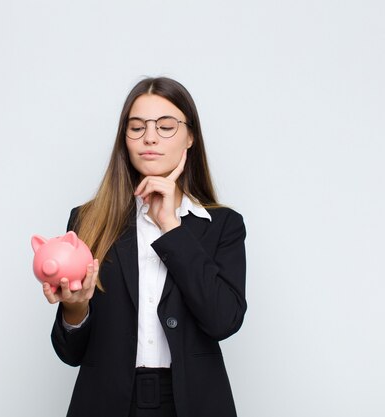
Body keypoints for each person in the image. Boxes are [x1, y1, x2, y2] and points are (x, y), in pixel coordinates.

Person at [43, 77, 247, 417]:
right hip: (106, 403)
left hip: (193, 403)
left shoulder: (223, 225)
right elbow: (71, 353)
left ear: (191, 136)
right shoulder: (88, 220)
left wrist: (171, 226)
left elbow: (224, 321)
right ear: (124, 139)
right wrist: (74, 310)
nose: (149, 137)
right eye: (136, 127)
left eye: (166, 126)